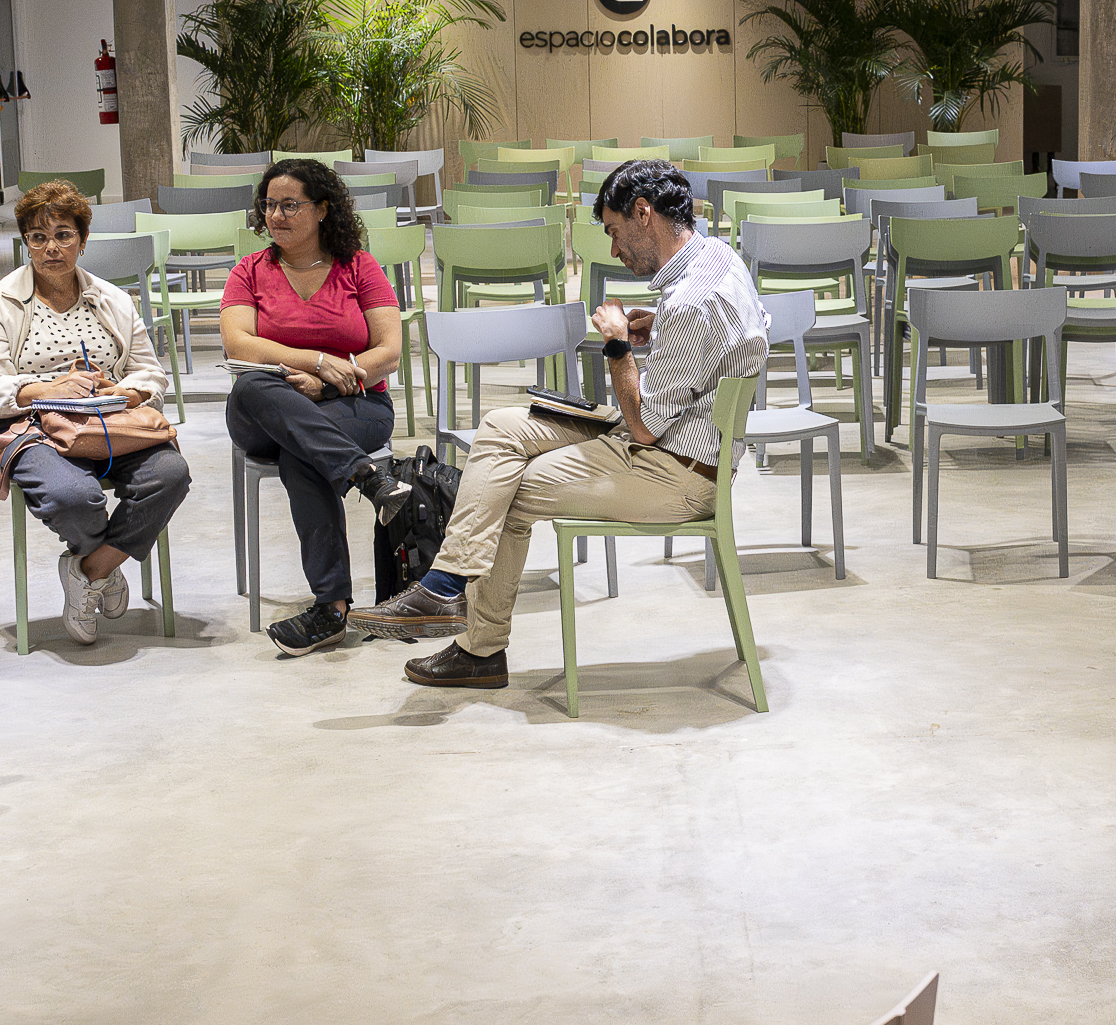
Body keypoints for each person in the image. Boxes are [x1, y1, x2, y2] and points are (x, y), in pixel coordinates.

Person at [351, 159, 766, 688]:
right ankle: (446, 583)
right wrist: (657, 323)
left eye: (614, 231)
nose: (614, 248)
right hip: (678, 439)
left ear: (644, 214)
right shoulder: (718, 259)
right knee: (501, 426)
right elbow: (719, 337)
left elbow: (644, 426)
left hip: (675, 470)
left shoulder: (689, 301)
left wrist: (617, 344)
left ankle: (478, 646)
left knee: (506, 490)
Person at [0, 179, 191, 645]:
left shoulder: (112, 299)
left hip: (107, 422)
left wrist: (124, 392)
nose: (51, 248)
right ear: (26, 243)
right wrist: (43, 388)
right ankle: (105, 565)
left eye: (63, 235)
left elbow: (150, 373)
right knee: (72, 497)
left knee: (170, 474)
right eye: (38, 237)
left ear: (83, 240)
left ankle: (92, 568)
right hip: (26, 427)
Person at [220, 158, 409, 658]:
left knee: (300, 452)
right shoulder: (249, 271)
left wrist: (327, 387)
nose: (275, 216)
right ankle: (365, 475)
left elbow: (389, 351)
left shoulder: (359, 267)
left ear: (323, 209)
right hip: (263, 409)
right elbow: (239, 345)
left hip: (355, 403)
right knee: (251, 385)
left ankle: (332, 608)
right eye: (269, 205)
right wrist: (318, 362)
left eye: (290, 205)